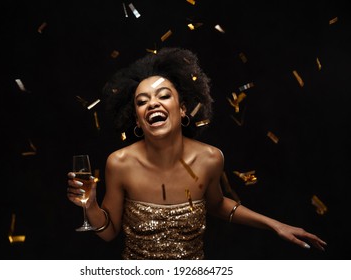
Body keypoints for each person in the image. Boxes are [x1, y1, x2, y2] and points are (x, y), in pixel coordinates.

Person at [67, 47, 327, 259]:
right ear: (137, 119)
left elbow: (217, 204)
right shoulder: (119, 163)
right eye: (142, 101)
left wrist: (275, 225)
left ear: (182, 109)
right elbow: (108, 232)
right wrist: (90, 205)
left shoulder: (211, 158)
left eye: (163, 96)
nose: (153, 103)